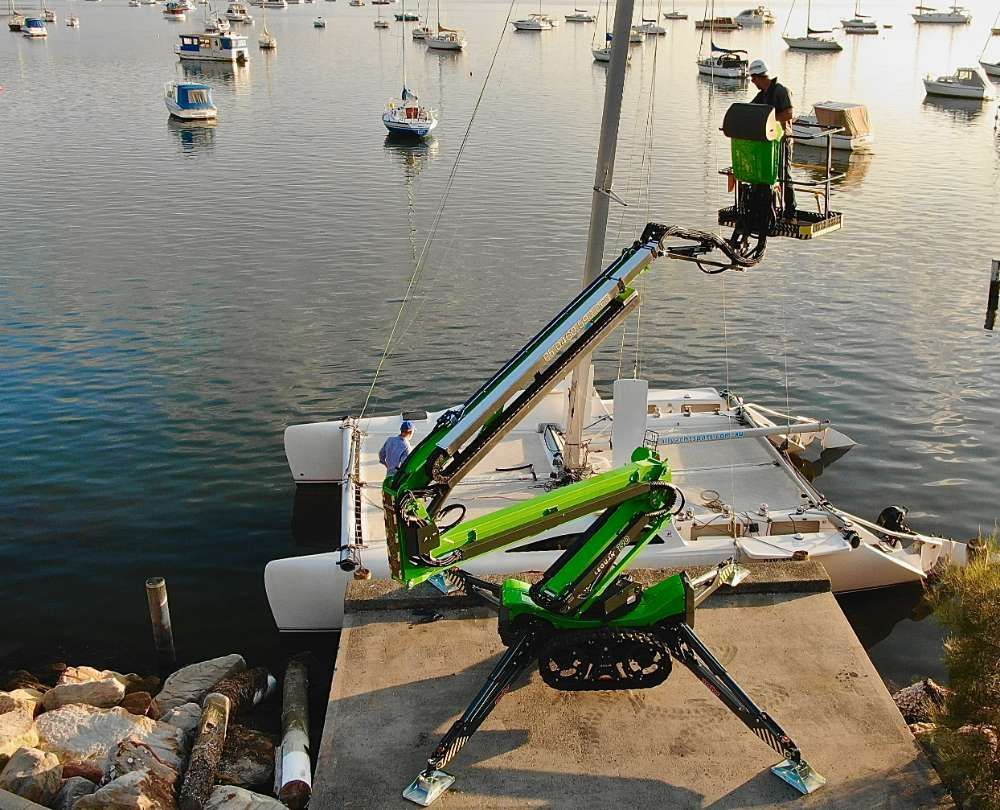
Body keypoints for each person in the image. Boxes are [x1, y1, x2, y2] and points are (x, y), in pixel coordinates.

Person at [747, 58, 796, 217]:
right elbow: (750, 109)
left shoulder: (781, 91)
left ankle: (790, 209)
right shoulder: (762, 95)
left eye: (753, 79)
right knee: (767, 173)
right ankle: (766, 206)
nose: (753, 82)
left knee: (784, 173)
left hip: (783, 140)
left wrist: (769, 120)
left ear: (760, 77)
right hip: (769, 142)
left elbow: (789, 113)